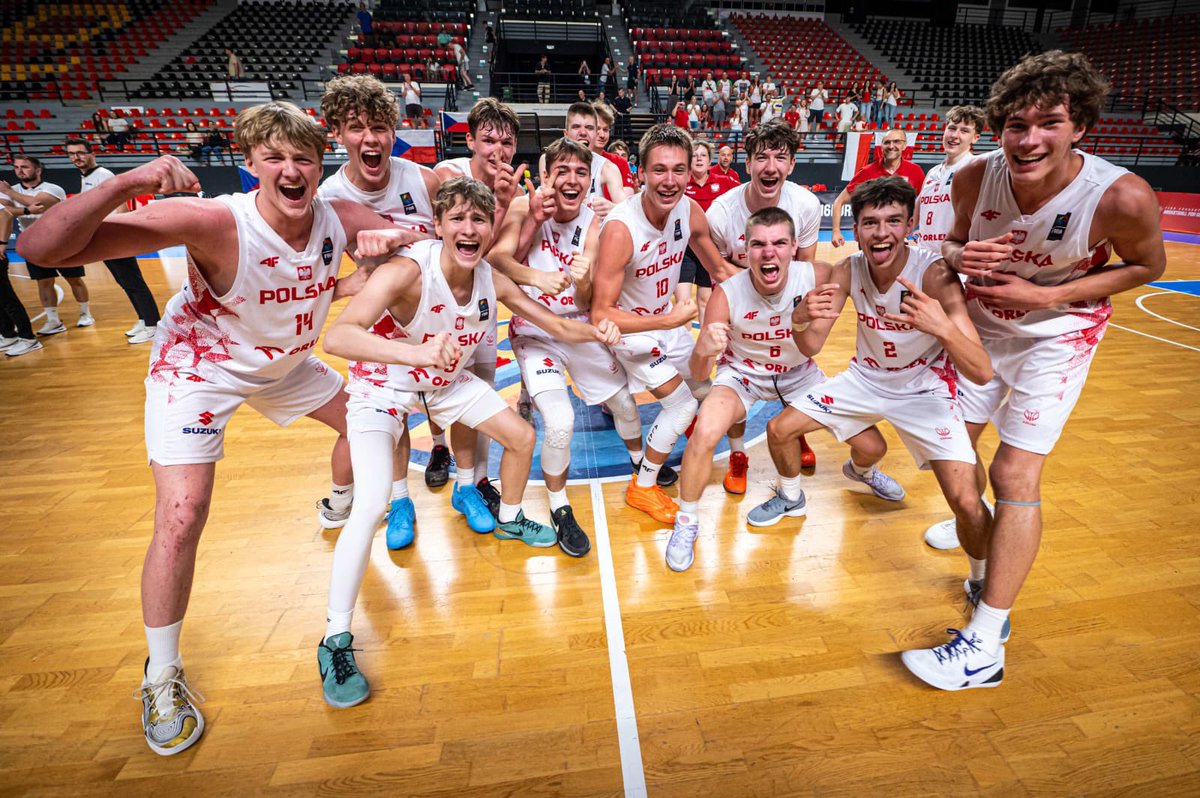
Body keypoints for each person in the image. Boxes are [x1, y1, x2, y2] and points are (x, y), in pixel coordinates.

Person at [16, 101, 420, 756]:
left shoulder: (340, 217)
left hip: (286, 363)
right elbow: (38, 247)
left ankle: (340, 502)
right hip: (199, 369)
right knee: (182, 514)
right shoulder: (211, 220)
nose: (291, 170)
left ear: (322, 166)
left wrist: (383, 250)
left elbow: (431, 242)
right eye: (276, 158)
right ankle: (163, 673)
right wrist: (123, 183)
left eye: (304, 159)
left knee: (378, 425)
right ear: (252, 164)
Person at [901, 51, 1166, 691]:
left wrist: (1047, 295)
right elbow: (952, 248)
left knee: (1012, 471)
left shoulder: (1121, 194)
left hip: (1059, 330)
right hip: (986, 324)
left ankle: (986, 641)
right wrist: (966, 256)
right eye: (1016, 125)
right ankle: (980, 546)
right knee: (951, 454)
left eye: (1048, 122)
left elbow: (1148, 267)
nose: (1029, 139)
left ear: (1079, 125)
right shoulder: (972, 179)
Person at [317, 177, 621, 707]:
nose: (469, 227)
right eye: (456, 217)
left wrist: (602, 331)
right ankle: (335, 638)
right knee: (368, 507)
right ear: (438, 226)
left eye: (479, 219)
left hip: (447, 383)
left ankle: (508, 517)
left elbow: (554, 323)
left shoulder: (490, 278)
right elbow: (339, 337)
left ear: (488, 230)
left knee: (522, 436)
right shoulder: (407, 269)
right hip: (383, 384)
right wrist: (416, 355)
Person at [748, 178, 990, 606]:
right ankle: (793, 496)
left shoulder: (934, 274)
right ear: (855, 229)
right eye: (871, 222)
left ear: (910, 224)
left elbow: (982, 371)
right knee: (780, 429)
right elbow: (811, 346)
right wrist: (799, 318)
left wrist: (942, 327)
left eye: (893, 221)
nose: (882, 232)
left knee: (968, 503)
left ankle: (982, 580)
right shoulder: (848, 270)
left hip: (924, 390)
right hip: (865, 379)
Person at [490, 138, 649, 553]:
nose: (572, 179)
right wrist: (537, 278)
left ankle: (640, 469)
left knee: (626, 406)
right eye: (562, 170)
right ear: (546, 176)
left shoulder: (594, 221)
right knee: (560, 421)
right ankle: (560, 506)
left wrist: (582, 280)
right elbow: (498, 260)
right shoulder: (527, 207)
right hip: (535, 331)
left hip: (575, 326)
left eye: (580, 172)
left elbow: (584, 301)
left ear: (589, 179)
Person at [319, 74, 446, 545]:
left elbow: (453, 240)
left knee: (441, 399)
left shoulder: (422, 178)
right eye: (356, 128)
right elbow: (306, 286)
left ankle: (443, 454)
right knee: (392, 419)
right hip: (382, 326)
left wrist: (401, 237)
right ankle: (400, 501)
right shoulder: (329, 201)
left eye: (379, 127)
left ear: (394, 131)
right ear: (337, 132)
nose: (370, 138)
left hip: (436, 313)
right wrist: (348, 284)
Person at [670, 208, 831, 569]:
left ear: (793, 247)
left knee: (868, 443)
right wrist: (703, 349)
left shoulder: (818, 275)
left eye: (778, 243)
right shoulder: (726, 294)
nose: (768, 252)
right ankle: (686, 522)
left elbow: (864, 279)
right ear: (746, 249)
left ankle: (863, 470)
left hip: (799, 372)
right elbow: (698, 372)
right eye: (758, 244)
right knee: (706, 431)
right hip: (743, 374)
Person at [590, 124, 729, 525]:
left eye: (678, 170)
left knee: (708, 387)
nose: (670, 181)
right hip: (629, 331)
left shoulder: (688, 209)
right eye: (659, 170)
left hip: (666, 323)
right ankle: (644, 486)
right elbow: (601, 314)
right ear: (641, 174)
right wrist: (669, 318)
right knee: (682, 404)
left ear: (689, 173)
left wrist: (770, 290)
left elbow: (718, 268)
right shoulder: (622, 228)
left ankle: (674, 433)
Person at [705, 119, 823, 479]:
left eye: (780, 157)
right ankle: (738, 454)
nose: (770, 166)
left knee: (792, 374)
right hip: (741, 312)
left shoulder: (805, 204)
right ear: (747, 162)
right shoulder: (721, 213)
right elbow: (718, 272)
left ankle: (794, 433)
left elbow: (806, 267)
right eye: (761, 157)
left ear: (791, 164)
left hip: (787, 307)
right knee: (734, 392)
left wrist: (797, 315)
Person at [434, 96, 526, 515]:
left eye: (506, 143)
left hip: (480, 308)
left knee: (479, 396)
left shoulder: (514, 190)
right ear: (469, 140)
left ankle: (473, 481)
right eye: (489, 140)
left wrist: (515, 205)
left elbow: (492, 259)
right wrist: (504, 204)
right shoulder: (446, 175)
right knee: (439, 394)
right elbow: (454, 250)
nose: (498, 151)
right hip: (435, 308)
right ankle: (439, 454)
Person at [65, 137, 162, 344]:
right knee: (125, 282)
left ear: (92, 154)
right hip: (103, 239)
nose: (76, 157)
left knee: (134, 283)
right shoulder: (87, 177)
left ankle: (153, 325)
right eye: (72, 154)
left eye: (80, 153)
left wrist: (118, 239)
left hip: (114, 239)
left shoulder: (103, 175)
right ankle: (144, 319)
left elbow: (121, 208)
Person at [0, 156, 77, 336]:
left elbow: (40, 205)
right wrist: (26, 208)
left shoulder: (52, 188)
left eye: (25, 167)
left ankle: (84, 313)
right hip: (33, 243)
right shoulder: (13, 190)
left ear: (38, 170)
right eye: (16, 167)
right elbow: (7, 212)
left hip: (61, 241)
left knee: (74, 279)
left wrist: (10, 194)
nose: (20, 171)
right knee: (43, 282)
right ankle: (53, 321)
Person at [831, 128, 925, 248]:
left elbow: (925, 204)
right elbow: (839, 201)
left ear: (904, 145)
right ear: (881, 146)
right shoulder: (866, 172)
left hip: (898, 239)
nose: (891, 146)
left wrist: (923, 229)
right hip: (871, 238)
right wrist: (836, 231)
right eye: (887, 142)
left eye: (897, 141)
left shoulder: (915, 171)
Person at [679, 139, 738, 325]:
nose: (698, 159)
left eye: (703, 155)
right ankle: (683, 349)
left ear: (709, 160)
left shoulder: (725, 182)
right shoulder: (681, 183)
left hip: (709, 249)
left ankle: (707, 348)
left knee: (705, 299)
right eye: (694, 155)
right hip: (685, 250)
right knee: (684, 302)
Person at [541, 102, 625, 220]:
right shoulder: (548, 160)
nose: (583, 132)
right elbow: (543, 199)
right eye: (576, 127)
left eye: (589, 128)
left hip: (593, 234)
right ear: (566, 134)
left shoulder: (607, 167)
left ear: (596, 134)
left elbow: (627, 211)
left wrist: (614, 209)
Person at [590, 101, 637, 199]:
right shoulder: (575, 162)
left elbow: (627, 202)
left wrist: (612, 207)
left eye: (605, 129)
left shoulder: (619, 162)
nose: (602, 135)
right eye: (597, 129)